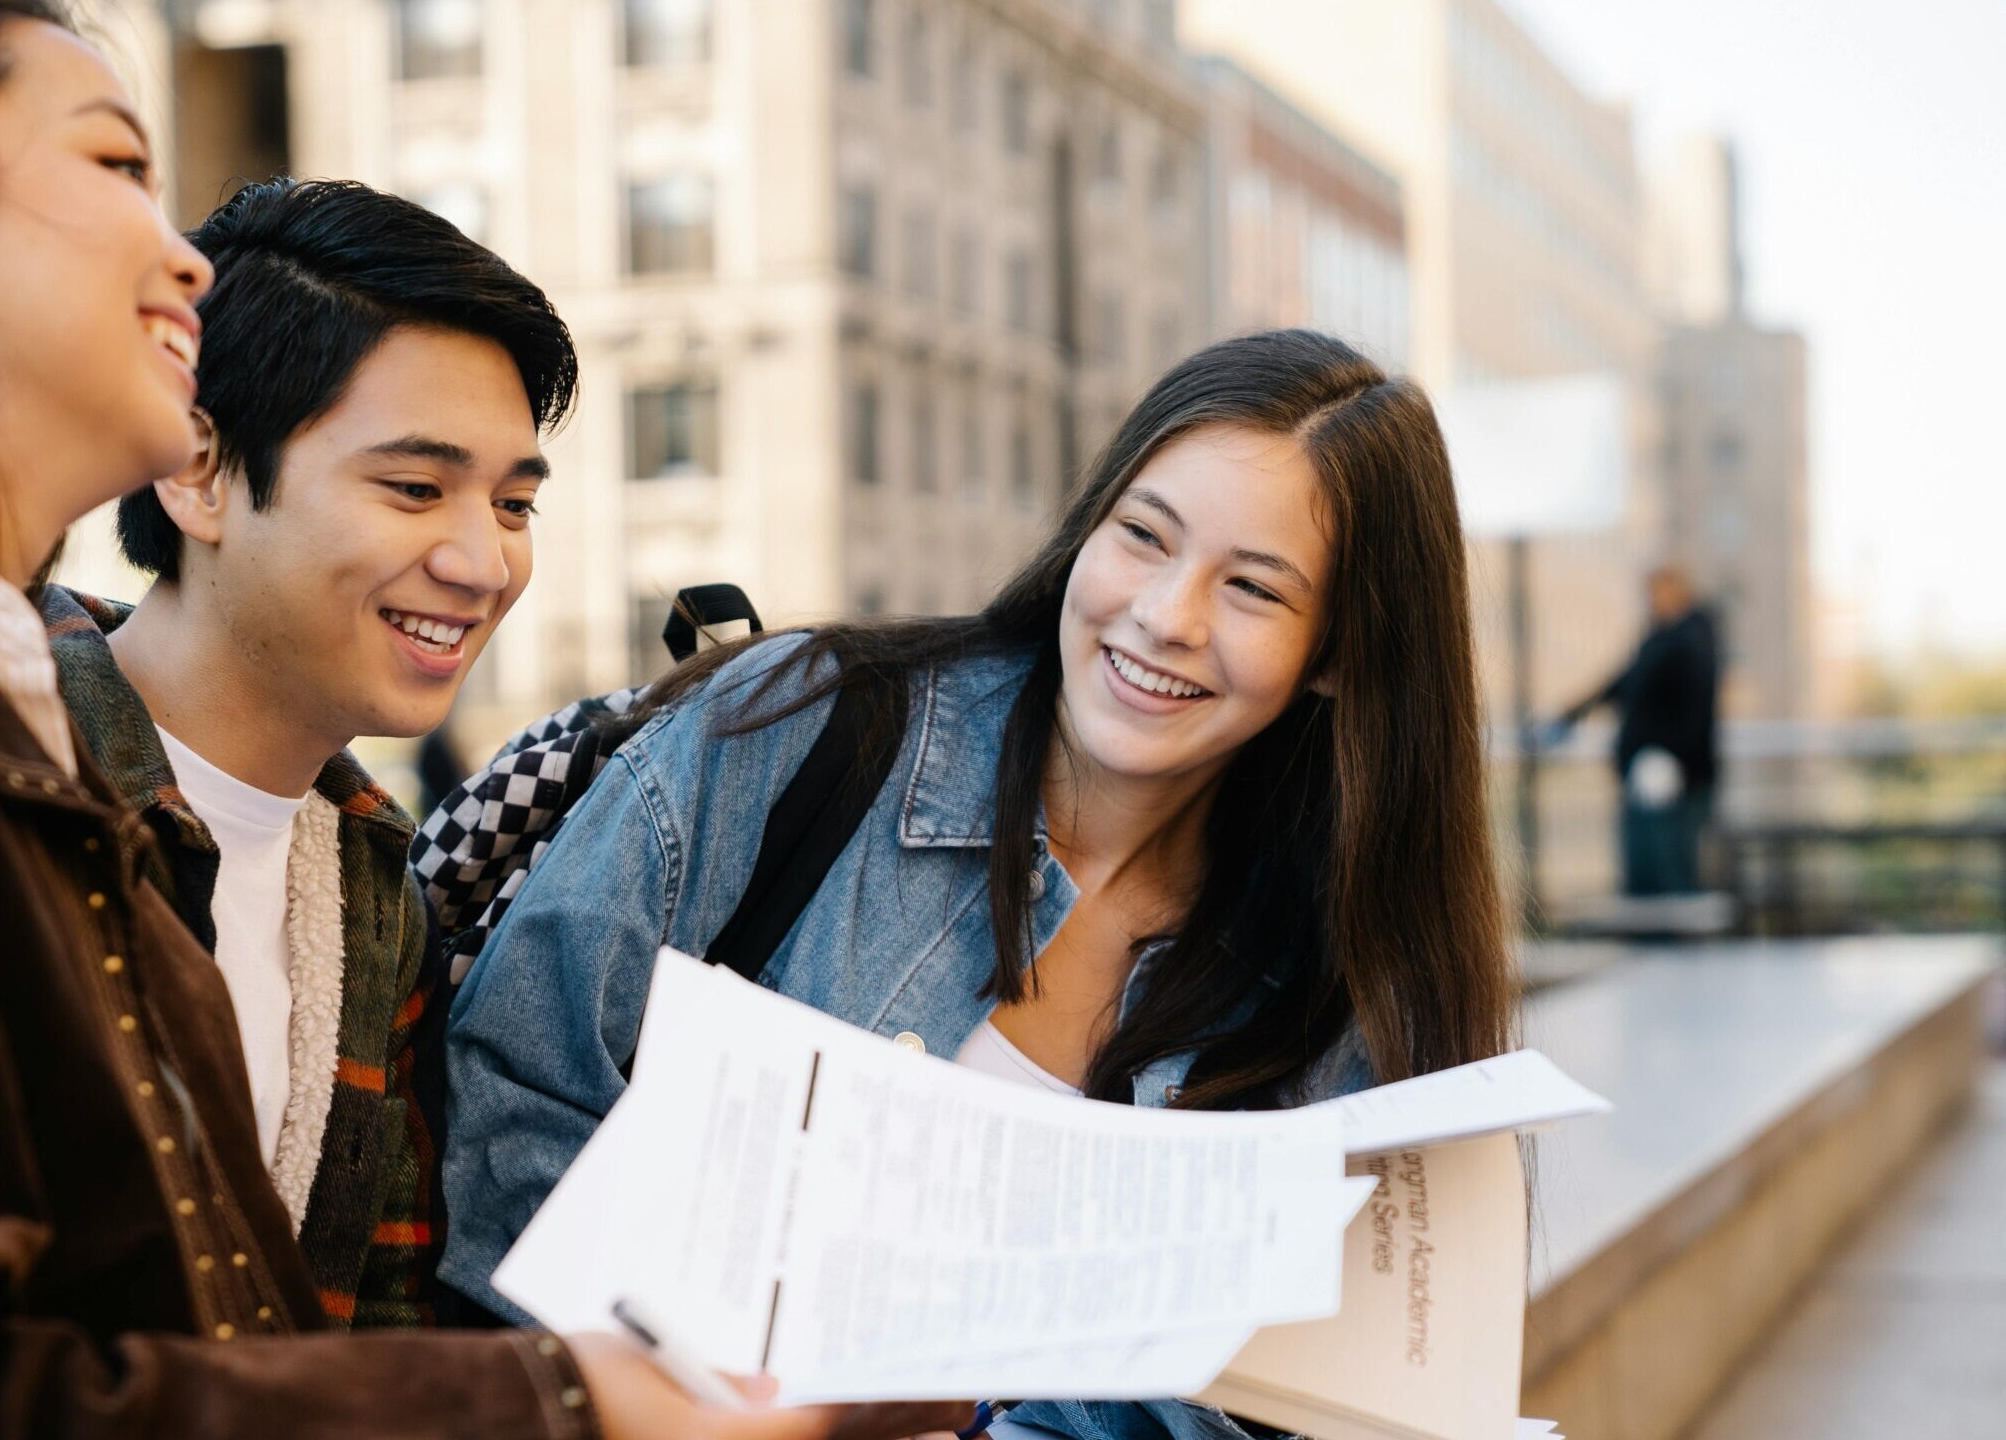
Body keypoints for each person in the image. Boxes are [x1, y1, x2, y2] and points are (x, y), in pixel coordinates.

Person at [0, 4, 960, 1437]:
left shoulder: (281, 845)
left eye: (510, 502)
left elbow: (263, 1343)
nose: (182, 259)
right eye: (114, 167)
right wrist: (568, 1405)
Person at [444, 330, 1518, 1440]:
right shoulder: (800, 726)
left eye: (1251, 588)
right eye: (1142, 537)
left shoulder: (1331, 990)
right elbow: (516, 1088)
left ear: (1337, 653)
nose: (1164, 615)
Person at [41, 176, 570, 1331]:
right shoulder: (0, 772)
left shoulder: (378, 894)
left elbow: (370, 1333)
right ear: (197, 471)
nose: (482, 562)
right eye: (416, 489)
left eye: (515, 505)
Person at [1554, 566, 1722, 896]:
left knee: (1667, 872)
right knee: (1648, 870)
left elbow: (1696, 712)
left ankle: (1670, 943)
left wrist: (1674, 759)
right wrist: (1569, 716)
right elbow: (1620, 683)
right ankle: (1657, 939)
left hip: (1670, 779)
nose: (1650, 601)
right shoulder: (1660, 639)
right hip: (1652, 774)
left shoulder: (1690, 642)